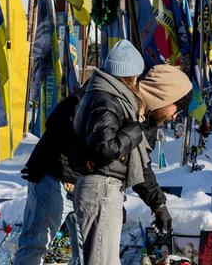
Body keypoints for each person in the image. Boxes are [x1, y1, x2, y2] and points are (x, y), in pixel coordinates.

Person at [72, 40, 192, 265]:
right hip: (101, 190)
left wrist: (158, 205)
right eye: (178, 108)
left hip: (106, 189)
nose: (176, 116)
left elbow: (140, 167)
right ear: (166, 96)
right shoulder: (110, 101)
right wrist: (132, 132)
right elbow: (103, 148)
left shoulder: (134, 110)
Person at [14, 82, 87, 264]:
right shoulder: (78, 104)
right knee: (35, 244)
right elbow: (60, 134)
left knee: (89, 250)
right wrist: (73, 174)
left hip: (82, 184)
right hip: (54, 179)